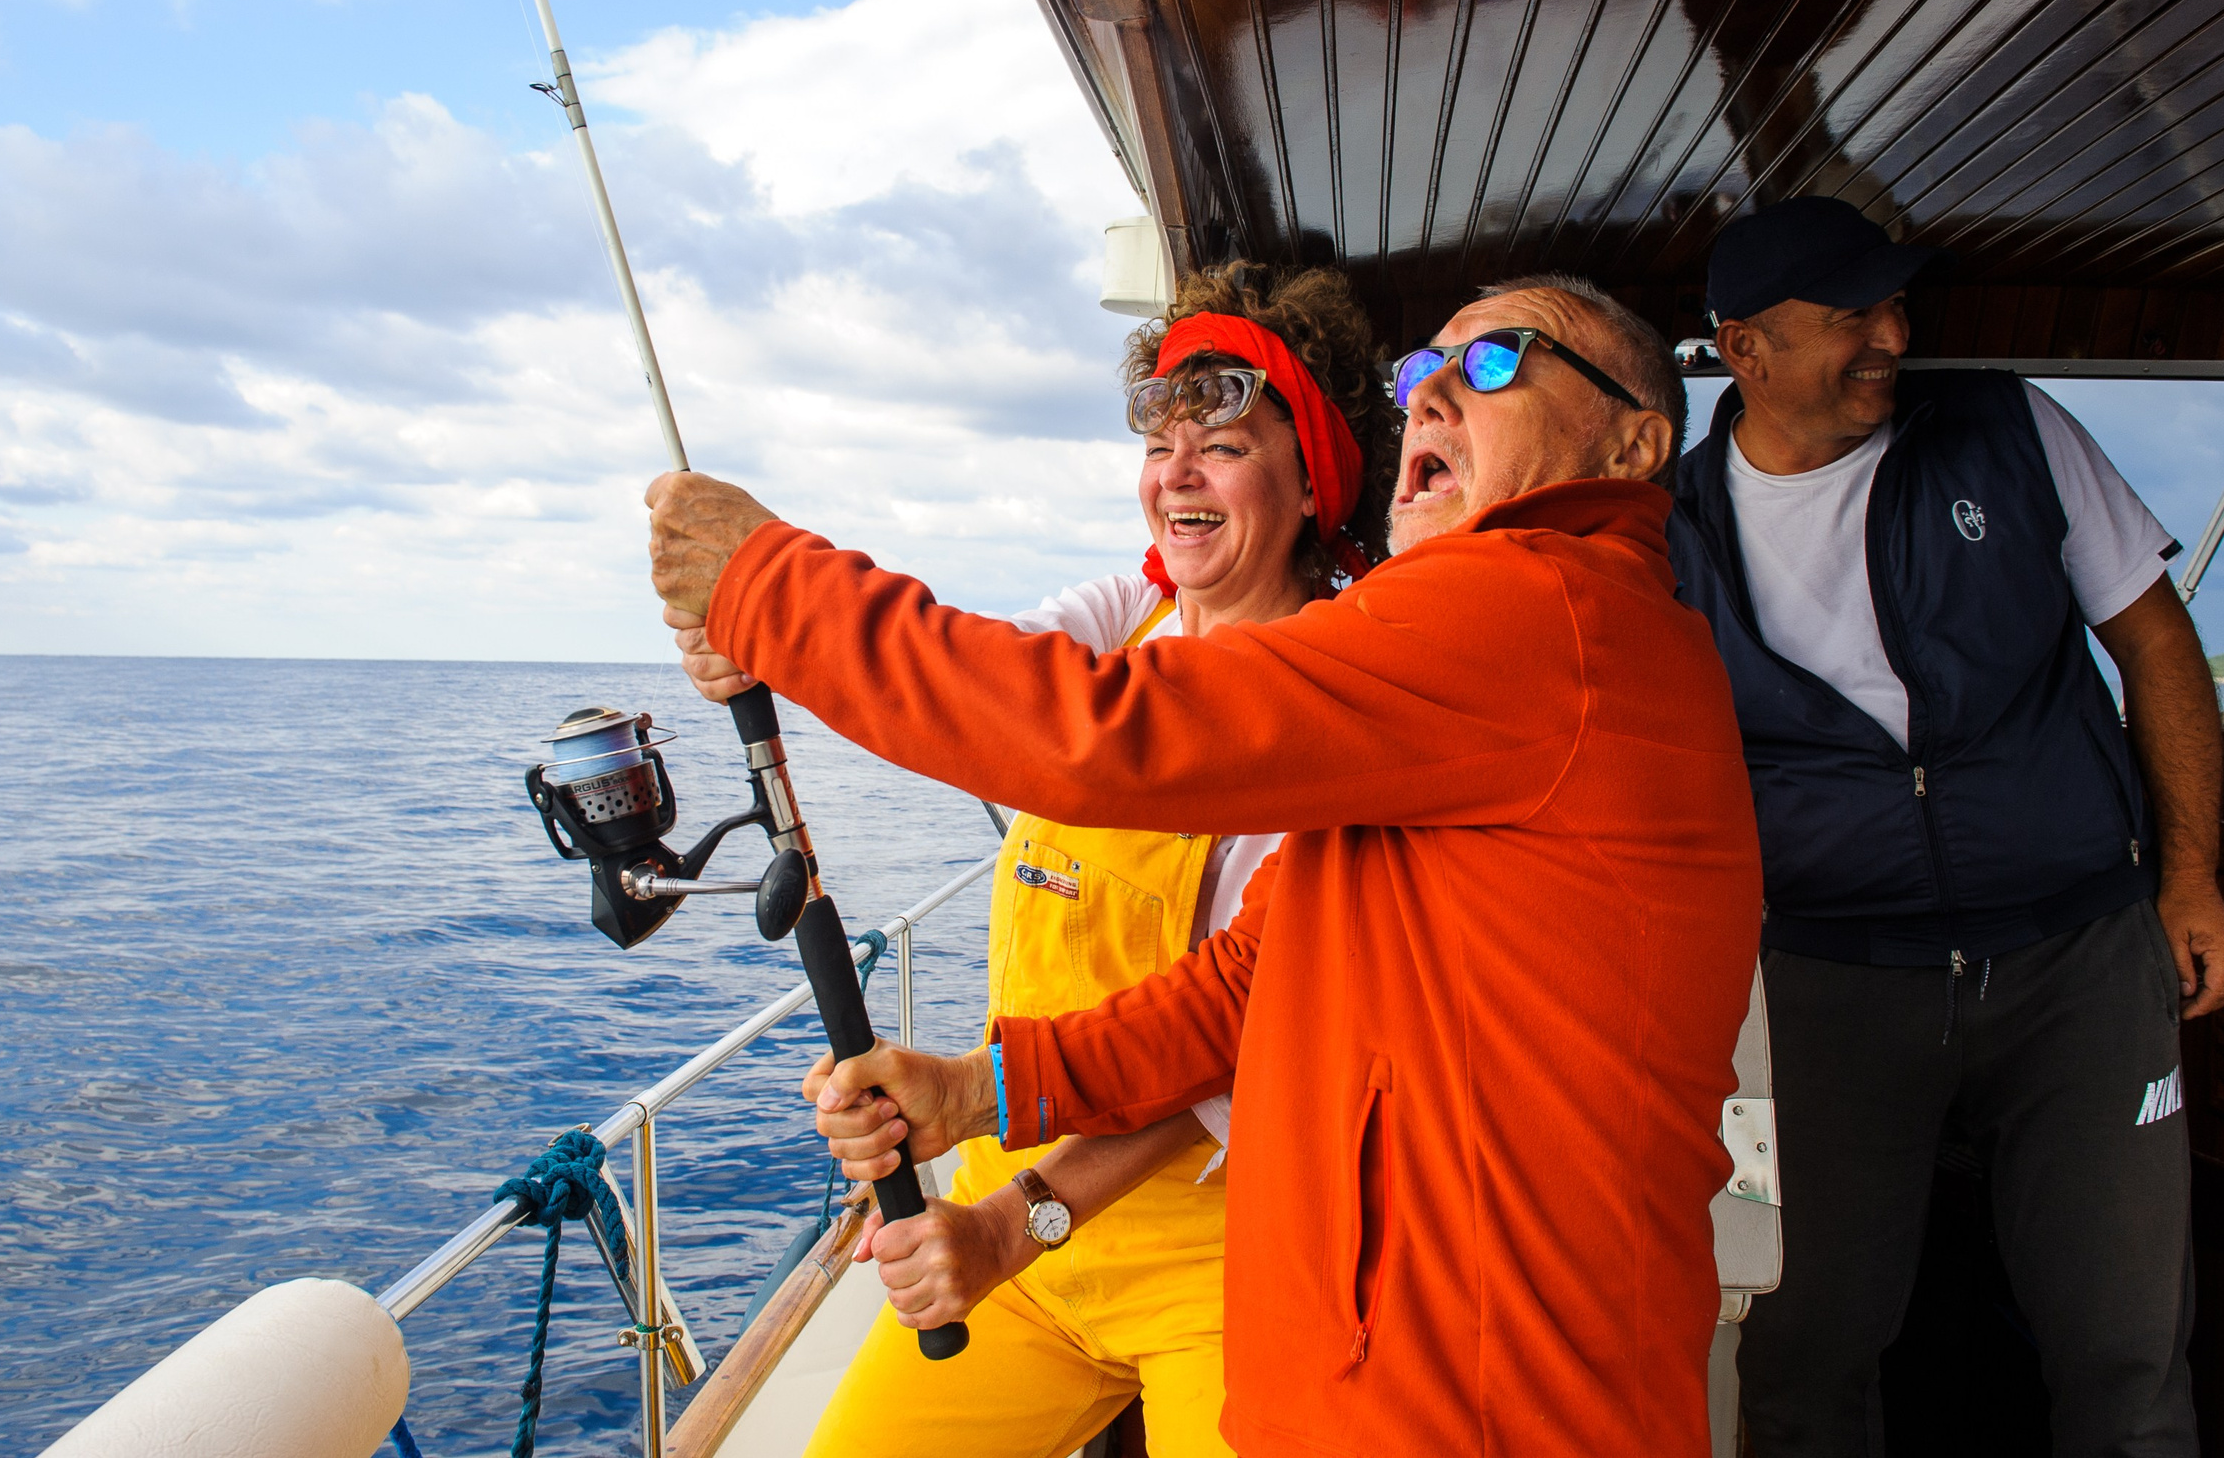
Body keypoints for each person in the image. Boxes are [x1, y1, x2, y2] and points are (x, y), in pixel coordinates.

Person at [649, 275, 1763, 1457]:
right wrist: (985, 1091)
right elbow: (1248, 977)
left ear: (1636, 442)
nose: (1431, 388)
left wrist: (763, 583)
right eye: (1415, 373)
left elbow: (1102, 733)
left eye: (1495, 363)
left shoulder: (1544, 602)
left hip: (1472, 1400)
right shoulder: (1436, 692)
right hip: (1351, 1359)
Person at [774, 265, 1397, 1458]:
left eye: (1222, 442)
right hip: (1028, 1234)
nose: (1178, 472)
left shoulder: (1339, 709)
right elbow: (964, 685)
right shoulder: (1128, 616)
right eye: (1162, 444)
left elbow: (1229, 1034)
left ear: (1315, 474)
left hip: (1221, 1258)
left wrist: (1017, 1217)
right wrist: (766, 648)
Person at [1665, 195, 2224, 1456]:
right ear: (1742, 347)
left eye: (1894, 303)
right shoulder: (1671, 522)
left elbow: (2154, 639)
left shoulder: (2004, 425)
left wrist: (2190, 878)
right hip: (1826, 972)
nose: (1890, 333)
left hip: (2076, 955)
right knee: (1803, 1347)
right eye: (1850, 313)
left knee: (2127, 1349)